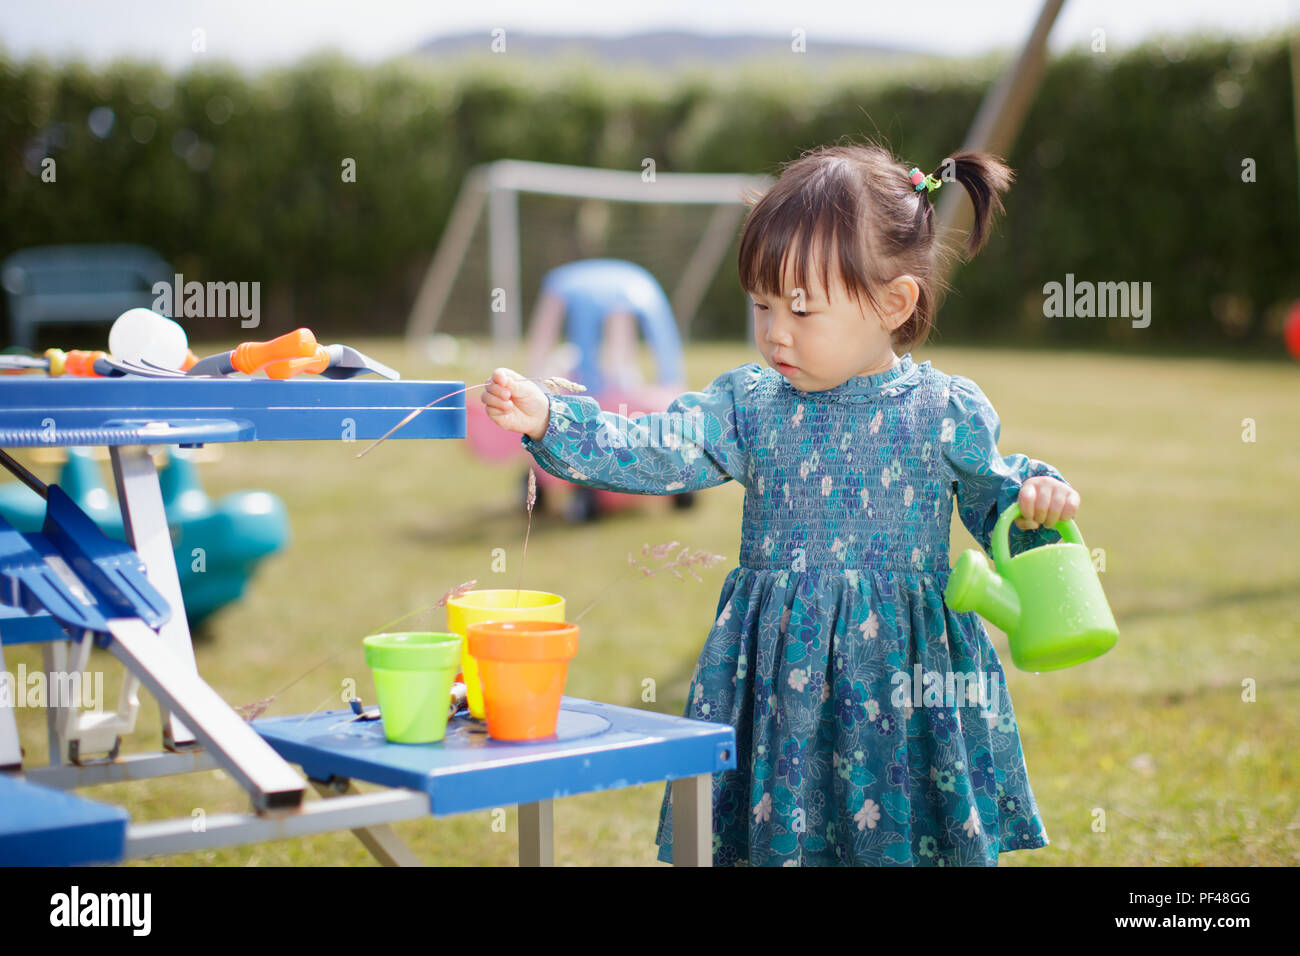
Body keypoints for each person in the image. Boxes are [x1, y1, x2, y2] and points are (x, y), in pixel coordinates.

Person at [480, 141, 1080, 866]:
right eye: (762, 304)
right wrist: (553, 418)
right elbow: (655, 447)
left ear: (893, 303)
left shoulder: (941, 410)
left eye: (800, 308)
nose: (773, 330)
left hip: (904, 680)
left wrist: (1036, 502)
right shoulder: (752, 405)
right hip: (777, 680)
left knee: (905, 834)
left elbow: (1000, 505)